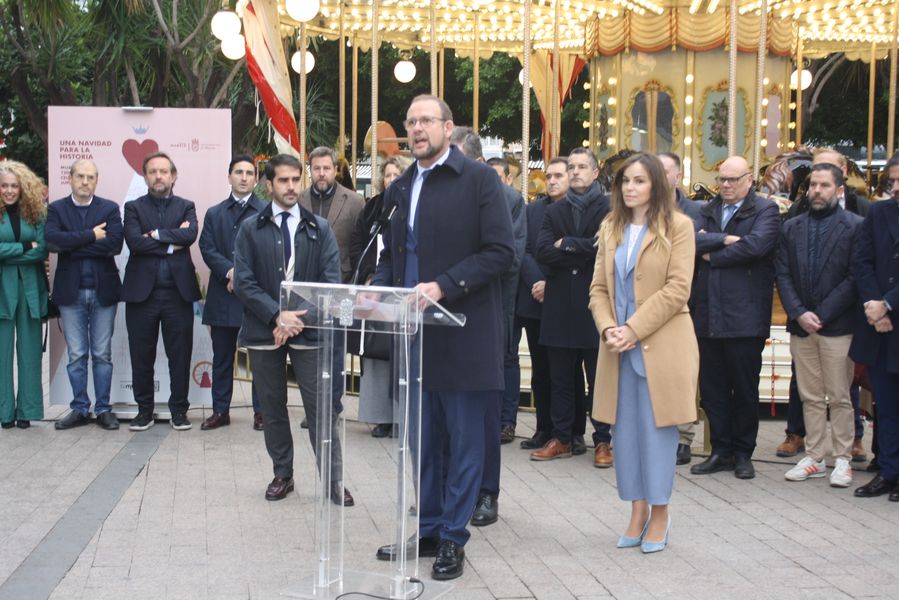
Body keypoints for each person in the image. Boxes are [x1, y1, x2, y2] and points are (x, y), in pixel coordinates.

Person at [372, 95, 514, 580]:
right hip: (415, 336)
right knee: (423, 441)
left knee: (464, 441)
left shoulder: (478, 180)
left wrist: (444, 285)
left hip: (463, 334)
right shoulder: (402, 185)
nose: (417, 129)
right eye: (411, 122)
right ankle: (429, 528)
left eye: (426, 121)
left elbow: (501, 252)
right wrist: (378, 292)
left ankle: (454, 536)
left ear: (448, 128)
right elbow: (393, 253)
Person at [589, 152, 697, 554]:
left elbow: (677, 289)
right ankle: (636, 511)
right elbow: (599, 289)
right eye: (625, 181)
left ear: (657, 184)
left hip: (660, 346)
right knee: (625, 436)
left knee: (657, 435)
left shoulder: (679, 227)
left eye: (639, 181)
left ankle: (660, 513)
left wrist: (633, 329)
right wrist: (609, 328)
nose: (630, 188)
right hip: (617, 349)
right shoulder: (611, 226)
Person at [233, 153, 354, 507]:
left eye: (294, 180)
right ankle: (282, 474)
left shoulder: (320, 228)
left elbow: (330, 283)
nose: (290, 186)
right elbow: (244, 282)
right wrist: (276, 316)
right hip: (265, 332)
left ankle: (333, 480)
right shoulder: (250, 229)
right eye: (282, 180)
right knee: (272, 406)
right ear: (268, 185)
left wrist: (294, 320)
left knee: (321, 410)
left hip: (309, 334)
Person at [447, 127, 525, 529]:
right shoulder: (436, 194)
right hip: (441, 318)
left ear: (476, 160)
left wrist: (456, 278)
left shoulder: (507, 198)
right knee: (448, 416)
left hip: (485, 316)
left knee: (483, 412)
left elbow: (509, 258)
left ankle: (486, 493)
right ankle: (449, 492)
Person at [689, 156, 780, 480]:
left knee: (743, 389)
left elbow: (755, 247)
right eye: (722, 179)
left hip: (744, 316)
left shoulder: (766, 210)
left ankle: (743, 453)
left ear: (749, 179)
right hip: (707, 314)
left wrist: (711, 254)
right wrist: (724, 240)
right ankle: (720, 450)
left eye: (733, 179)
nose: (726, 185)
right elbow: (689, 242)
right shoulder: (706, 210)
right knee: (712, 389)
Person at [776, 147, 869, 461]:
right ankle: (814, 455)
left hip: (838, 327)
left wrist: (822, 313)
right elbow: (783, 273)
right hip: (802, 327)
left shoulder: (856, 225)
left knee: (840, 396)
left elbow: (855, 277)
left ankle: (843, 457)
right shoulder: (792, 226)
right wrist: (799, 313)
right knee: (810, 396)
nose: (817, 190)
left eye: (824, 185)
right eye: (813, 185)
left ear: (839, 189)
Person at [531, 148, 613, 468]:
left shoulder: (609, 207)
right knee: (561, 378)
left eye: (582, 167)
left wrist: (566, 243)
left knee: (598, 378)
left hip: (594, 303)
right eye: (572, 167)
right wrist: (583, 250)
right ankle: (561, 437)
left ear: (595, 173)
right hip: (559, 304)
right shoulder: (554, 210)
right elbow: (542, 251)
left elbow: (606, 248)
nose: (575, 172)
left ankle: (603, 440)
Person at [122, 152, 201, 431]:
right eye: (153, 171)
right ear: (145, 177)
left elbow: (190, 235)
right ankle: (144, 411)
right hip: (141, 295)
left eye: (164, 171)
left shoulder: (186, 206)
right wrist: (171, 242)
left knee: (180, 356)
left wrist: (154, 235)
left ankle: (179, 411)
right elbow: (134, 242)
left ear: (173, 176)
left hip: (178, 295)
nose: (158, 176)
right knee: (141, 356)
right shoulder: (133, 208)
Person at [46, 160, 123, 431]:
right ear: (70, 178)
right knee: (77, 354)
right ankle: (79, 408)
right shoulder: (57, 209)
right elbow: (52, 241)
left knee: (102, 354)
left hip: (104, 292)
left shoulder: (109, 208)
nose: (85, 182)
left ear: (96, 180)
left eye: (90, 177)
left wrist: (72, 243)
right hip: (71, 293)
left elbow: (114, 245)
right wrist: (91, 235)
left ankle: (103, 409)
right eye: (80, 176)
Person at [198, 155, 266, 431]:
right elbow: (207, 248)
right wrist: (229, 272)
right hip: (223, 294)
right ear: (229, 176)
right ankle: (220, 411)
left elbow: (270, 251)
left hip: (257, 298)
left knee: (260, 359)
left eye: (249, 173)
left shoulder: (266, 211)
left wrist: (243, 277)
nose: (244, 177)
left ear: (256, 179)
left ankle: (262, 413)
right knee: (223, 358)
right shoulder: (214, 213)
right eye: (238, 172)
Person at [349, 154, 411, 438]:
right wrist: (368, 276)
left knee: (403, 355)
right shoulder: (374, 206)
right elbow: (358, 243)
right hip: (375, 288)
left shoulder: (413, 205)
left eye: (397, 175)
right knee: (376, 355)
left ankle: (403, 417)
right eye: (387, 175)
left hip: (404, 290)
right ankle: (382, 417)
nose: (391, 180)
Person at [851, 152, 899, 501]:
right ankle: (889, 471)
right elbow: (862, 260)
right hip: (880, 327)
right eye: (892, 181)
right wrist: (874, 305)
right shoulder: (878, 213)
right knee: (887, 405)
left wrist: (888, 303)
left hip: (890, 312)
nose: (895, 187)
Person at [517, 157, 569, 451]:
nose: (551, 181)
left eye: (558, 176)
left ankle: (569, 431)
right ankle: (542, 428)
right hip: (535, 299)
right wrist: (537, 282)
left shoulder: (576, 210)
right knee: (540, 369)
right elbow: (523, 250)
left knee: (565, 370)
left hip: (564, 296)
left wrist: (552, 285)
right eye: (548, 176)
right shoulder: (532, 210)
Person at [657, 152, 701, 465]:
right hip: (648, 306)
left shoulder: (695, 212)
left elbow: (704, 244)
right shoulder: (638, 214)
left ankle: (684, 436)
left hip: (686, 304)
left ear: (678, 176)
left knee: (681, 376)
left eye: (664, 171)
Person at [0, 161, 48, 429]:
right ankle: (4, 412)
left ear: (23, 188)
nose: (9, 191)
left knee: (30, 352)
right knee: (2, 352)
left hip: (31, 288)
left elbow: (41, 250)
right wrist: (24, 247)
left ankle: (27, 410)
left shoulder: (36, 213)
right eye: (4, 186)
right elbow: (31, 248)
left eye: (14, 186)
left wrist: (7, 252)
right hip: (2, 290)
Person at [300, 146, 365, 283]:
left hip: (342, 281)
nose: (321, 173)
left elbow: (361, 245)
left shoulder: (355, 202)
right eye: (317, 168)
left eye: (326, 168)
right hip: (305, 281)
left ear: (335, 170)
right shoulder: (298, 201)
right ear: (310, 170)